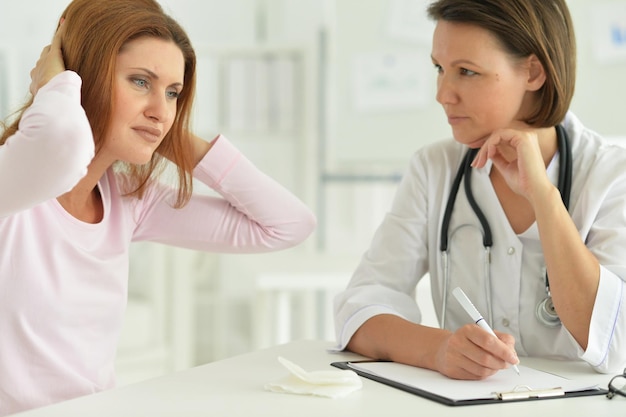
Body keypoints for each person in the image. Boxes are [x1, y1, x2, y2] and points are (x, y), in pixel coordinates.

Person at [0, 0, 316, 414]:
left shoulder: (131, 199)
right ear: (83, 74)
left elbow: (288, 224)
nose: (161, 110)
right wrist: (53, 77)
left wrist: (166, 134)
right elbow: (59, 140)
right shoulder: (12, 184)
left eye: (173, 93)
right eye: (139, 82)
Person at [334, 0, 626, 381]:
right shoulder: (434, 169)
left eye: (467, 72)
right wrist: (438, 349)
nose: (443, 93)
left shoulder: (611, 175)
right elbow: (360, 310)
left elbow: (614, 341)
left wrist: (544, 197)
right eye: (440, 69)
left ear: (534, 72)